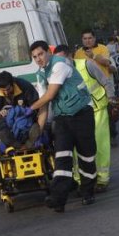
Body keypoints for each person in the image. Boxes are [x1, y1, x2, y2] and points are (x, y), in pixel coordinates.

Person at [29, 40, 97, 212]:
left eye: (41, 54)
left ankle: (88, 192)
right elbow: (44, 105)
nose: (38, 59)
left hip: (82, 113)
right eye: (35, 57)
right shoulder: (41, 74)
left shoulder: (59, 65)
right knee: (62, 158)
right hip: (63, 119)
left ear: (48, 52)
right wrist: (38, 130)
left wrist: (29, 108)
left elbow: (50, 95)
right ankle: (58, 199)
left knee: (86, 156)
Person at [54, 44, 115, 192]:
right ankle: (81, 180)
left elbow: (105, 82)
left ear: (71, 56)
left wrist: (112, 101)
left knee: (100, 146)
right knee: (76, 150)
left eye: (62, 59)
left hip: (97, 110)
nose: (60, 63)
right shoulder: (57, 73)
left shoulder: (86, 65)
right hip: (76, 115)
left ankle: (101, 178)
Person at [0, 71, 40, 149]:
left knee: (33, 126)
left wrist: (26, 111)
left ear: (13, 83)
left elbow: (37, 105)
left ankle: (29, 142)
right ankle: (19, 146)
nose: (6, 92)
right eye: (3, 90)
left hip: (25, 119)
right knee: (2, 130)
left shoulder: (25, 86)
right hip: (6, 124)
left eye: (8, 89)